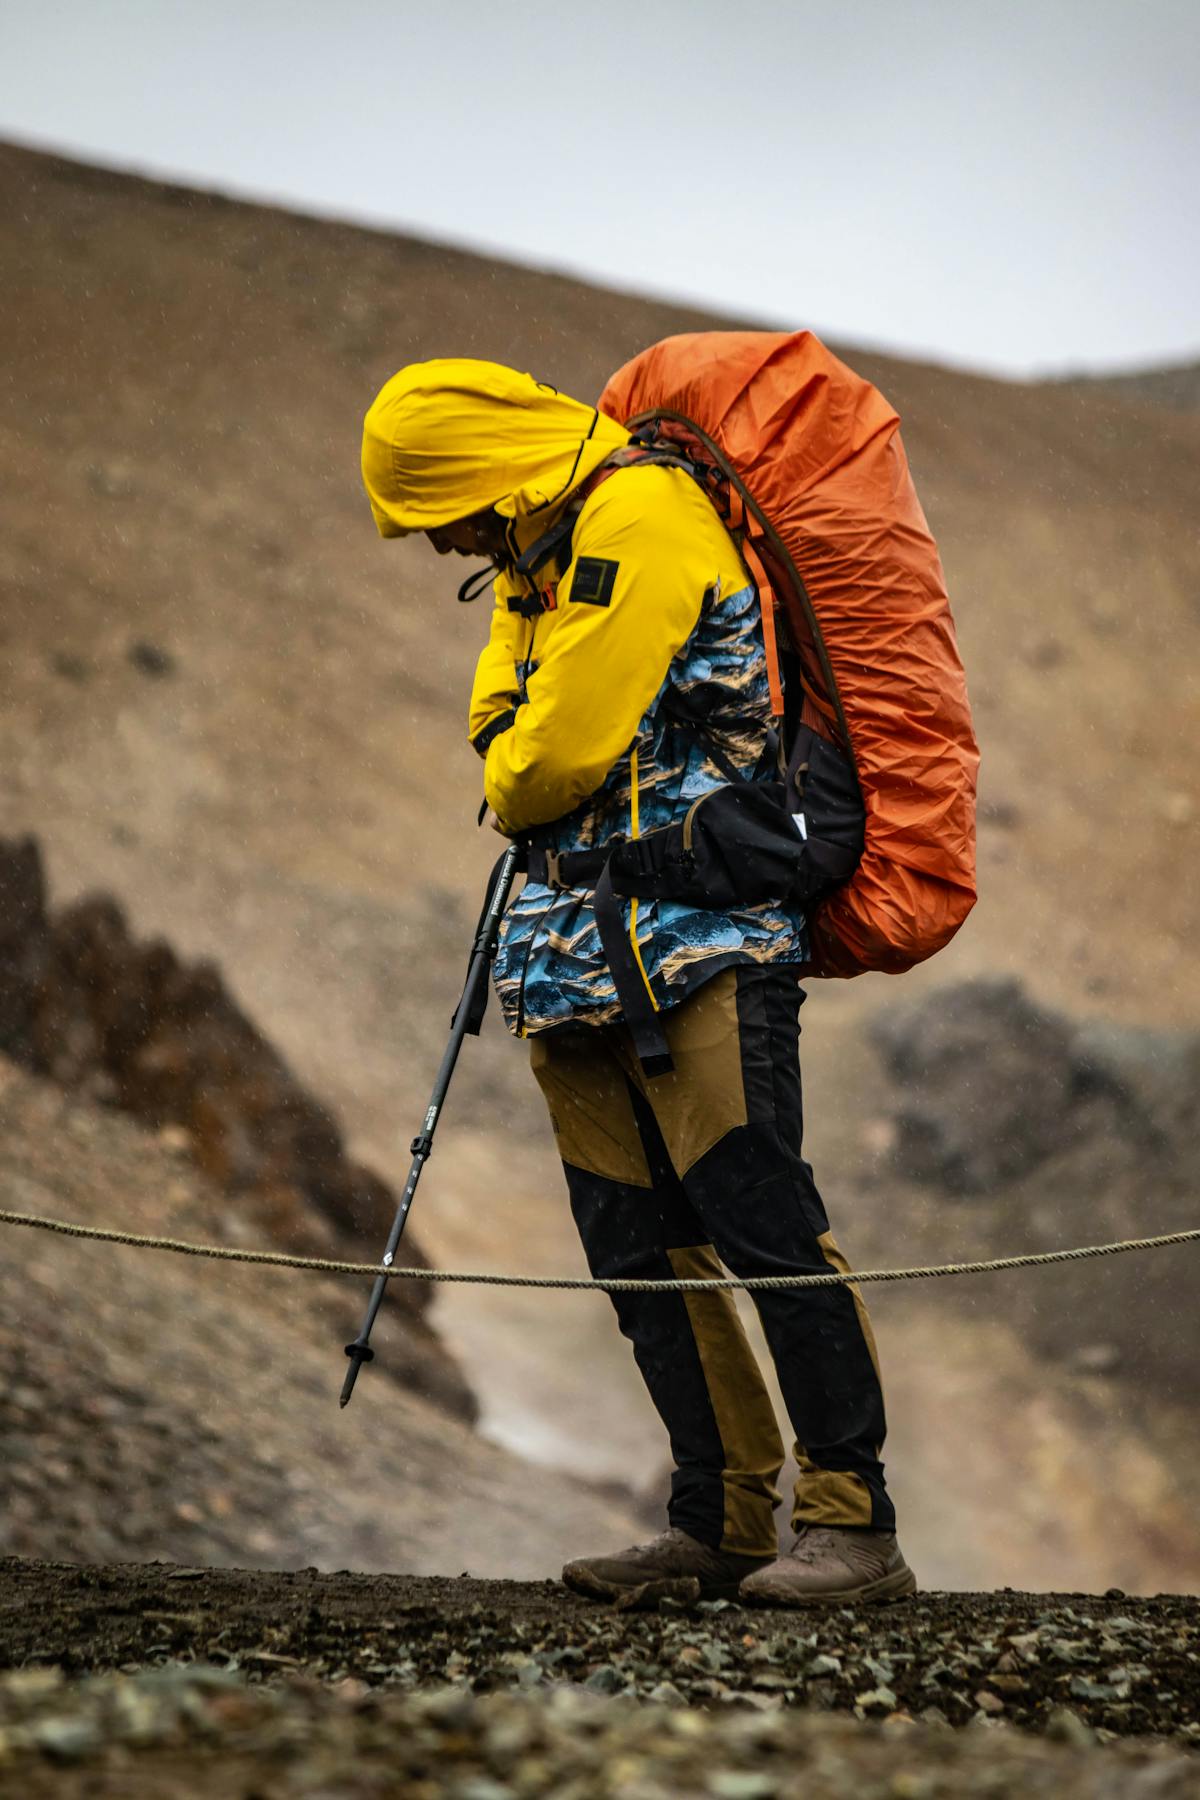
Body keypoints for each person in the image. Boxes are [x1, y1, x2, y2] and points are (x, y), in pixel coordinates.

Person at [361, 358, 915, 1606]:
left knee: (763, 1221)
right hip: (567, 954)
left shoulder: (641, 520)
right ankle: (714, 1522)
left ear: (485, 477)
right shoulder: (544, 555)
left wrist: (514, 742)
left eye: (436, 510)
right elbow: (499, 728)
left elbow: (538, 763)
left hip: (704, 939)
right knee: (638, 1245)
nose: (435, 538)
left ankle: (852, 1525)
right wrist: (513, 625)